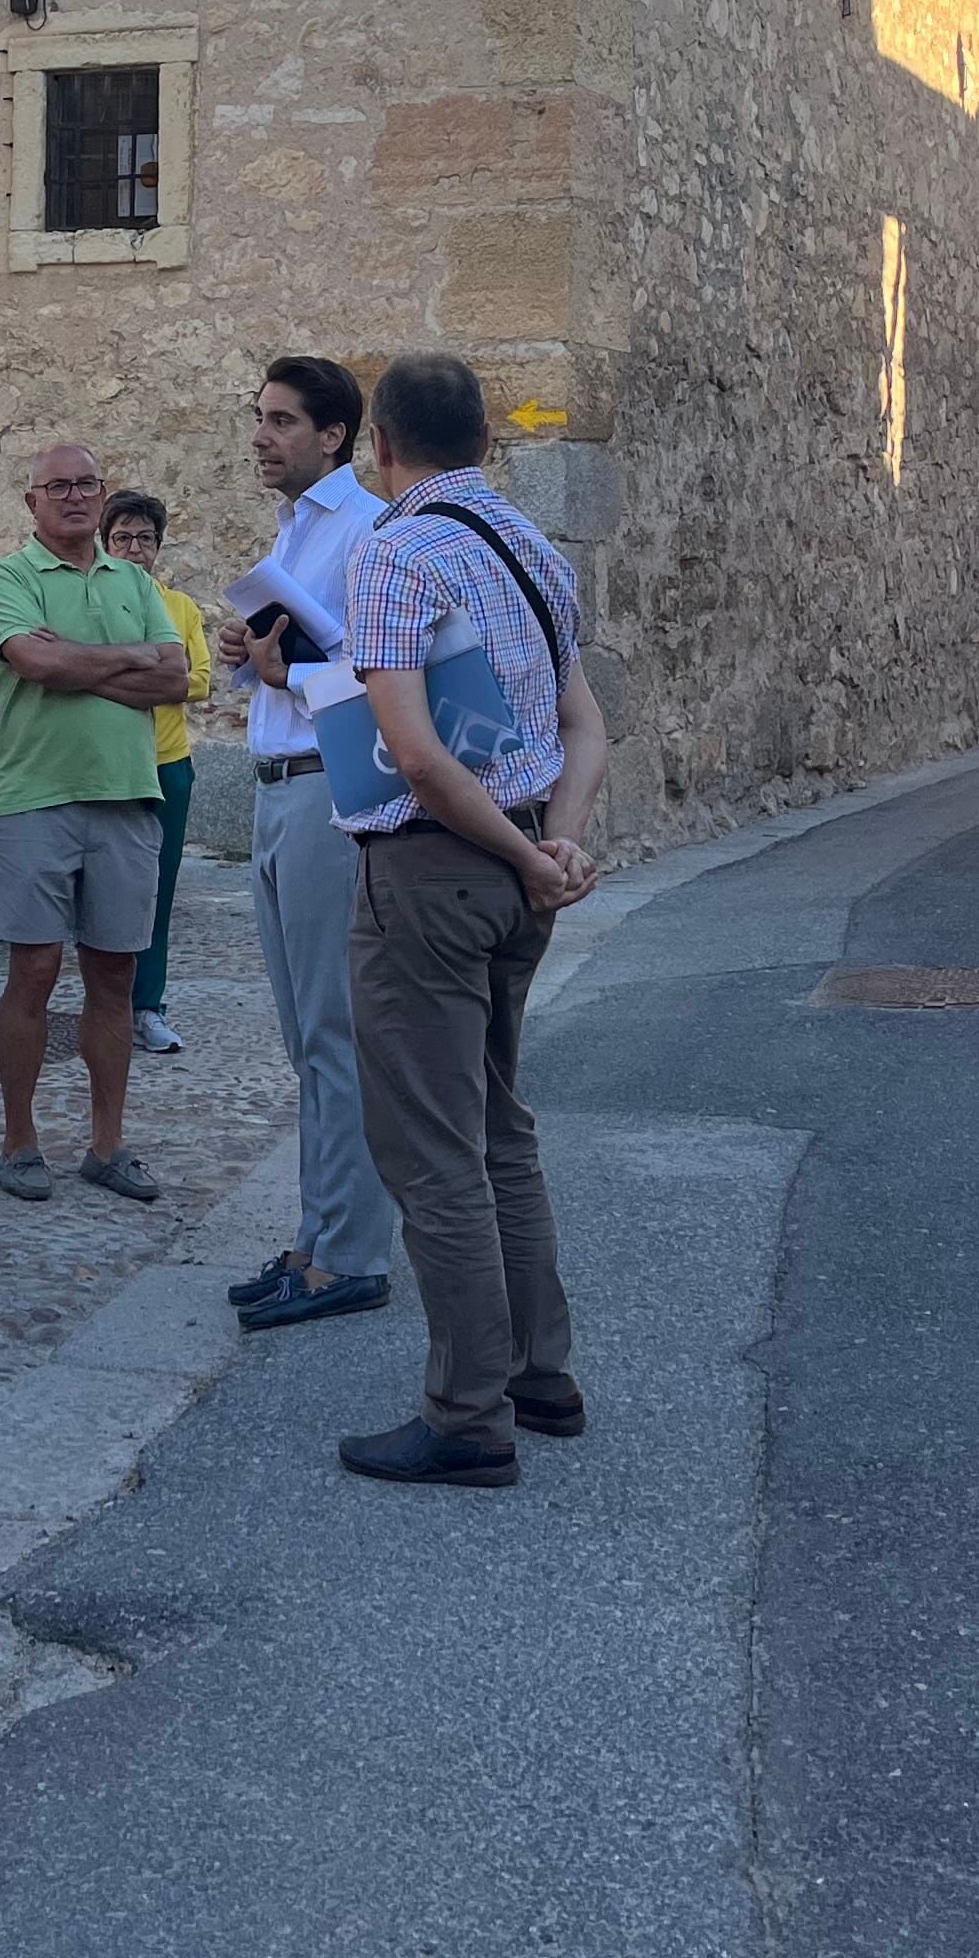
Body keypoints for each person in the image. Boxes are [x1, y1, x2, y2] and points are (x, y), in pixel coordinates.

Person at [331, 354, 611, 1489]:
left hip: (433, 878)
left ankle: (466, 1414)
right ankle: (542, 1372)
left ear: (382, 444)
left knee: (432, 1148)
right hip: (517, 875)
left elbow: (412, 753)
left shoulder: (393, 551)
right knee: (500, 1126)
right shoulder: (537, 551)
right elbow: (585, 726)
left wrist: (511, 850)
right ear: (484, 438)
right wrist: (555, 847)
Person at [226, 356, 398, 1333]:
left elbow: (385, 686)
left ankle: (354, 1256)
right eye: (259, 418)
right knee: (306, 1040)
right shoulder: (296, 531)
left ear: (334, 437)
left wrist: (284, 671)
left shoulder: (370, 533)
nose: (261, 436)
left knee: (339, 1036)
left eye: (282, 421)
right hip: (275, 789)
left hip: (330, 793)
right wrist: (258, 667)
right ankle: (315, 1238)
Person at [0, 441, 190, 1205]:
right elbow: (40, 668)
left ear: (104, 495)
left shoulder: (134, 578)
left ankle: (106, 1144)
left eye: (87, 484)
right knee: (32, 972)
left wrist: (81, 659)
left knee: (116, 975)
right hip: (34, 797)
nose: (74, 496)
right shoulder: (8, 577)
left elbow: (176, 679)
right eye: (56, 486)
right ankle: (19, 1142)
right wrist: (121, 664)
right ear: (32, 502)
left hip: (128, 796)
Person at [100, 490, 212, 1057]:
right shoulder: (91, 602)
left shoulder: (182, 609)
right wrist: (150, 670)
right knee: (103, 897)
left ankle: (148, 1007)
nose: (135, 549)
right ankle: (105, 1008)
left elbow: (196, 680)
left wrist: (122, 672)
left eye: (145, 539)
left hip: (168, 765)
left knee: (158, 893)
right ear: (105, 544)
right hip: (105, 765)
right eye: (123, 538)